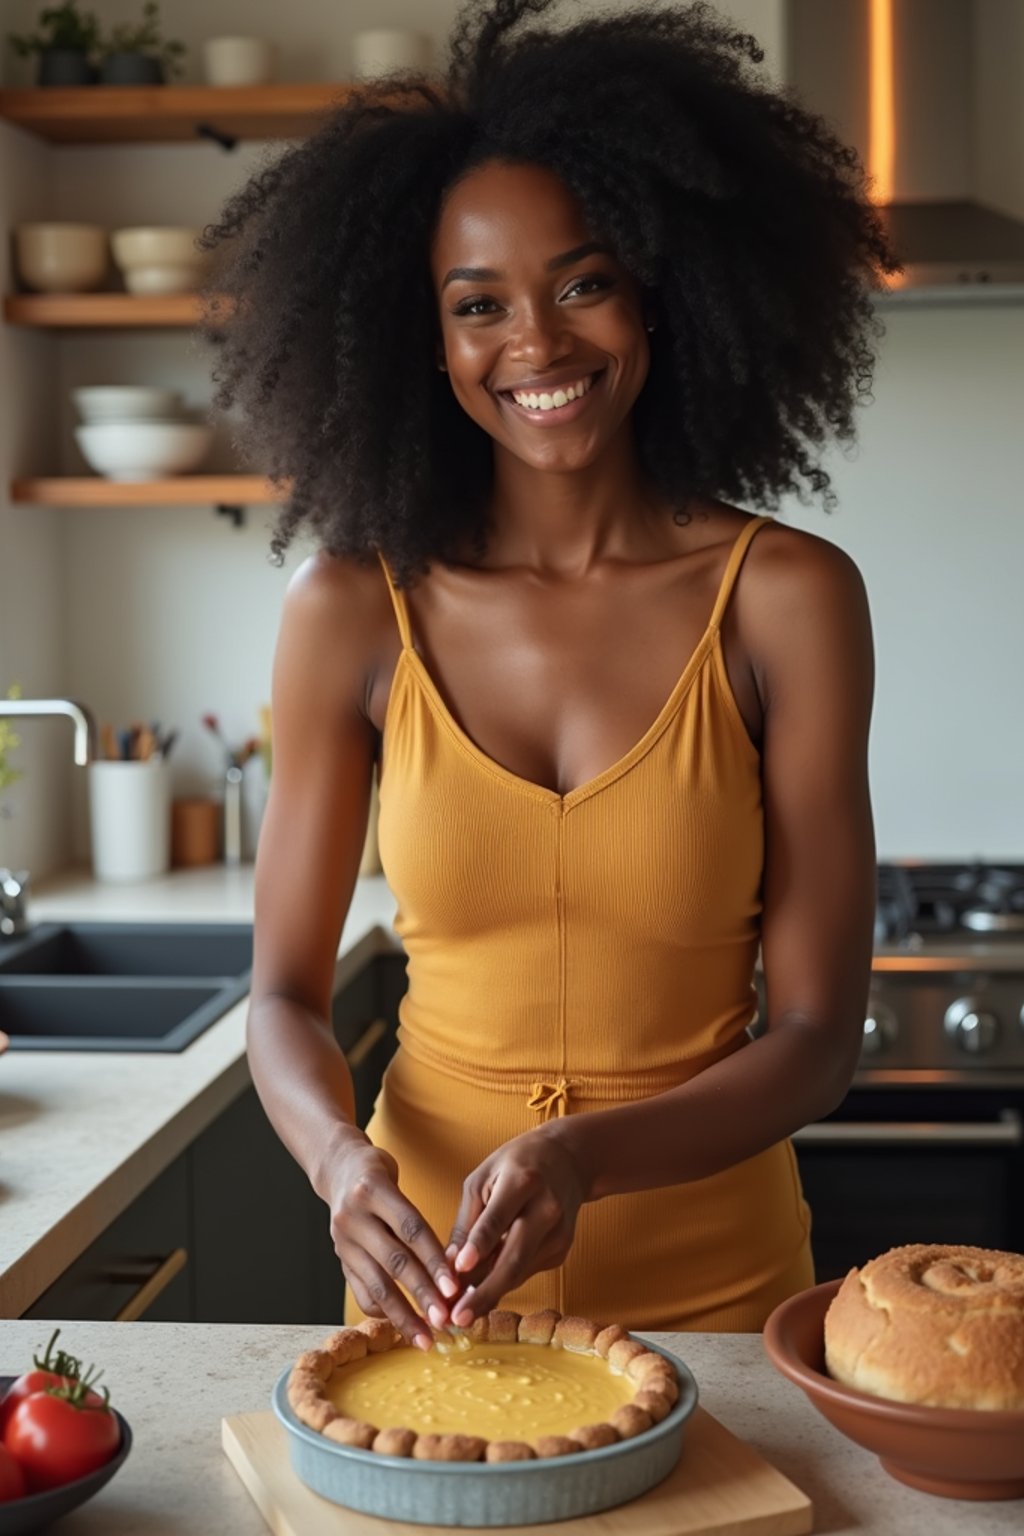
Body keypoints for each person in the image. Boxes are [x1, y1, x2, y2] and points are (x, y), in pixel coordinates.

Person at [198, 0, 894, 1350]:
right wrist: (343, 1168)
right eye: (478, 305)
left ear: (664, 289)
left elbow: (816, 1030)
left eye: (583, 282)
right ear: (421, 339)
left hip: (716, 1298)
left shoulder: (789, 600)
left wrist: (587, 1155)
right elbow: (280, 998)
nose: (538, 345)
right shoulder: (350, 608)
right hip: (432, 1297)